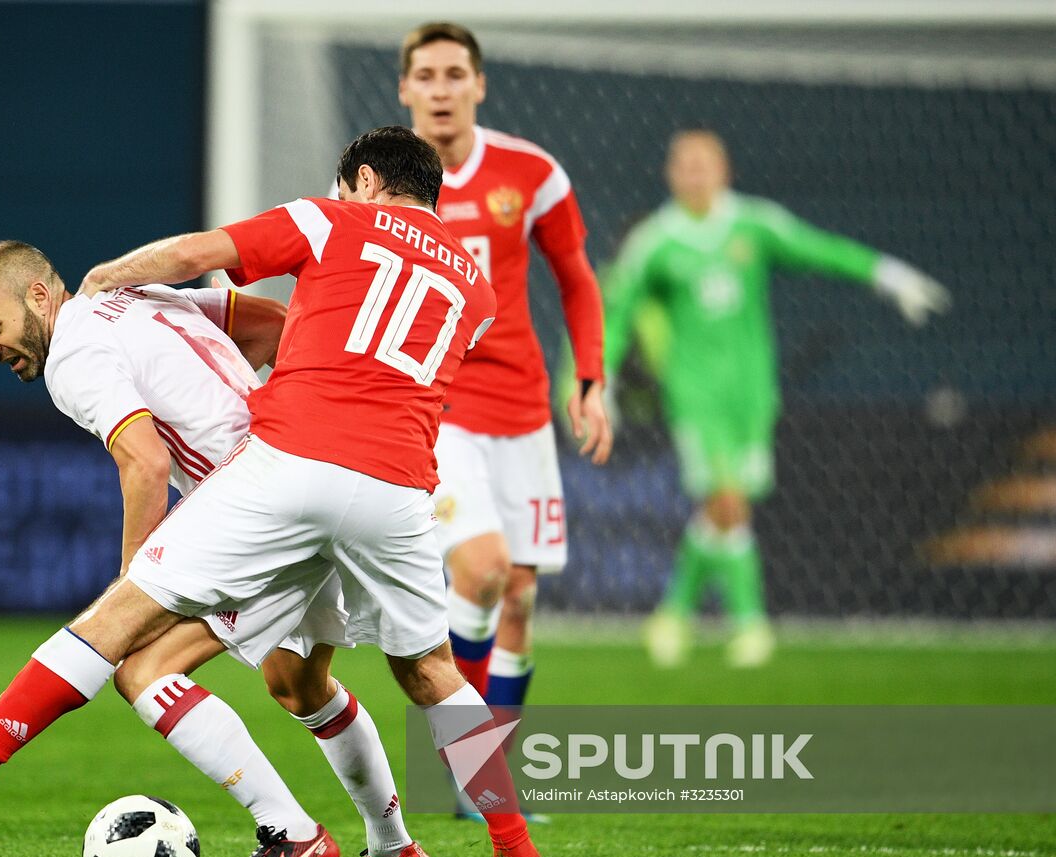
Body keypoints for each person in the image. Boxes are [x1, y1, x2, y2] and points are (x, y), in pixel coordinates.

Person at [0, 247, 435, 857]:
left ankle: (291, 833)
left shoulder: (74, 355)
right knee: (302, 684)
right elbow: (273, 324)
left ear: (37, 296)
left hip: (261, 507)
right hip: (317, 476)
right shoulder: (135, 297)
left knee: (138, 664)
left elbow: (142, 461)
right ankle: (402, 848)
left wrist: (135, 586)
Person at [604, 129, 950, 668]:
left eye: (704, 164)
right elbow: (617, 310)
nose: (694, 174)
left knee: (724, 510)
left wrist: (884, 274)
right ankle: (750, 624)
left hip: (753, 396)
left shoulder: (752, 223)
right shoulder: (655, 240)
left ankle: (673, 613)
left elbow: (820, 250)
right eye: (684, 165)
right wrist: (597, 378)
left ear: (725, 171)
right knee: (727, 501)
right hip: (697, 397)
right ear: (670, 174)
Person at [395, 22, 612, 728]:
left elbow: (577, 278)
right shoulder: (374, 181)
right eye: (425, 75)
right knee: (483, 569)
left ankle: (490, 778)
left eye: (455, 74)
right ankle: (462, 757)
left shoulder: (532, 174)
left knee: (518, 597)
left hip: (521, 410)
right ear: (404, 89)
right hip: (437, 407)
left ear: (479, 84)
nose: (440, 89)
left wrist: (591, 379)